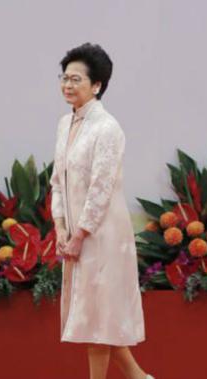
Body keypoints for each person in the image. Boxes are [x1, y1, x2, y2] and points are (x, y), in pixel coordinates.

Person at [50, 42, 154, 379]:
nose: (68, 85)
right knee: (96, 317)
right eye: (65, 78)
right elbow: (58, 179)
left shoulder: (108, 128)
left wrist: (80, 233)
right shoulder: (65, 124)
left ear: (97, 86)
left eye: (76, 79)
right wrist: (61, 227)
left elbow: (101, 189)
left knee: (97, 320)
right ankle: (139, 378)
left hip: (103, 234)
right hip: (76, 235)